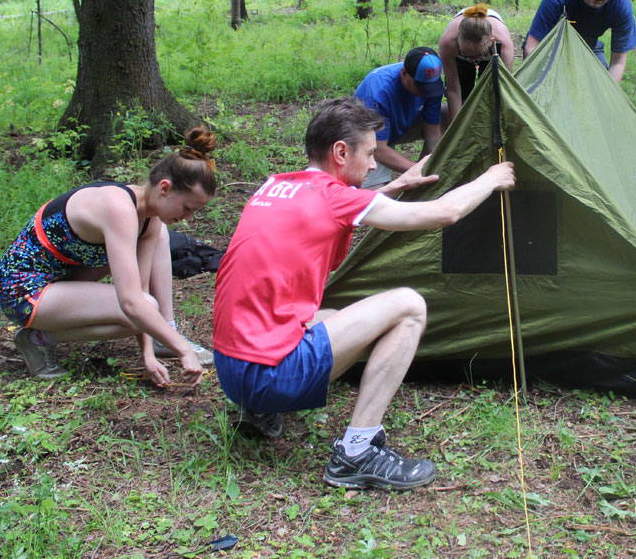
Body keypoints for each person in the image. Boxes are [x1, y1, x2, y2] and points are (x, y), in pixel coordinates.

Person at [213, 97, 515, 491]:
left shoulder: (279, 186)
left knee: (325, 315)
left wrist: (394, 186)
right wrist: (492, 178)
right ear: (341, 152)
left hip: (232, 371)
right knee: (409, 306)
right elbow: (444, 213)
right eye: (370, 154)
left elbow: (336, 210)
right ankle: (356, 453)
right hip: (271, 375)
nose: (375, 164)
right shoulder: (335, 198)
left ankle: (257, 413)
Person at [0, 127, 218, 386]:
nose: (189, 219)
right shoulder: (118, 208)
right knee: (140, 307)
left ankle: (160, 339)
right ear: (165, 188)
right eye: (188, 208)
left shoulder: (149, 218)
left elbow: (141, 291)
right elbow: (132, 303)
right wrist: (184, 351)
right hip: (23, 290)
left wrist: (147, 355)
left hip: (63, 280)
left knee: (147, 298)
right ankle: (36, 339)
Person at [523, 0, 636, 83]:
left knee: (598, 86)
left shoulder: (621, 6)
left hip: (589, 48)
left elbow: (618, 63)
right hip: (551, 48)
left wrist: (607, 96)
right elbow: (532, 48)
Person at [353, 46, 447, 189]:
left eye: (430, 88)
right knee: (378, 195)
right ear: (404, 73)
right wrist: (416, 170)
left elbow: (433, 131)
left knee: (446, 114)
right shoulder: (378, 92)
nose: (426, 93)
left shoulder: (431, 85)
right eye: (421, 87)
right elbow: (379, 149)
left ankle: (424, 180)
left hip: (403, 124)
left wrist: (432, 168)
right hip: (368, 138)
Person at [436, 4, 515, 116]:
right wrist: (457, 126)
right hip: (462, 52)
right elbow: (453, 89)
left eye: (477, 55)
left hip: (491, 55)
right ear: (458, 40)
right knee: (464, 96)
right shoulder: (448, 43)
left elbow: (504, 88)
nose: (470, 60)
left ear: (490, 42)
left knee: (489, 94)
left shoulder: (503, 45)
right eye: (465, 54)